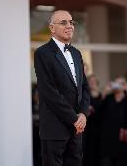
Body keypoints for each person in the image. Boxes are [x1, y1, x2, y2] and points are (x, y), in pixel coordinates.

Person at [34, 10, 90, 166]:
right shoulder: (43, 53)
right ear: (52, 28)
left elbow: (84, 87)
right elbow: (49, 92)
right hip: (55, 128)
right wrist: (74, 119)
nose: (69, 26)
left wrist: (83, 114)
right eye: (63, 22)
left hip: (76, 130)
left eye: (71, 22)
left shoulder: (77, 53)